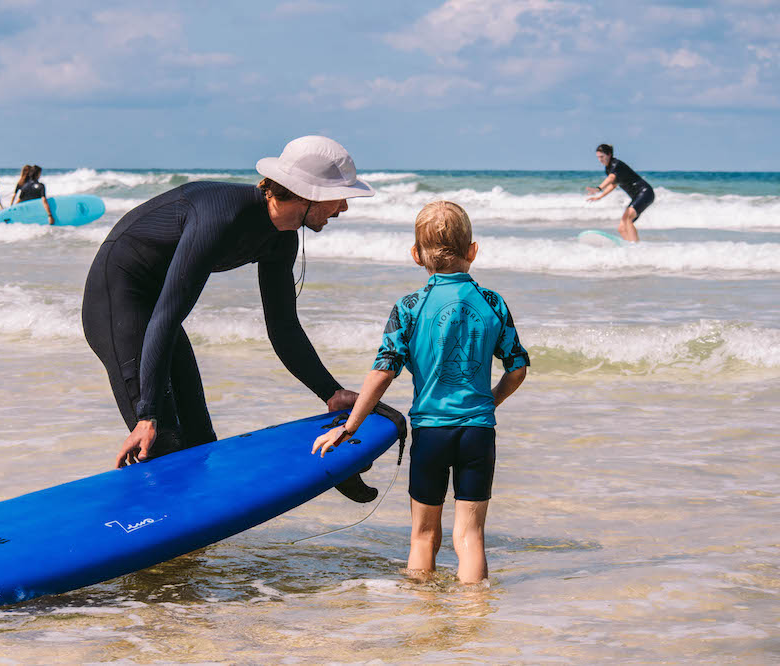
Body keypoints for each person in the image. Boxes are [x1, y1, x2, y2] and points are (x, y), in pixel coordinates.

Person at [82, 135, 374, 474]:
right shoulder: (219, 218)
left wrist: (330, 392)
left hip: (158, 311)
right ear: (309, 194)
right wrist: (147, 415)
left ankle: (197, 519)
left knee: (201, 440)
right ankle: (145, 518)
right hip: (117, 303)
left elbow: (282, 327)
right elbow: (168, 313)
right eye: (339, 198)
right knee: (163, 439)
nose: (344, 208)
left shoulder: (282, 238)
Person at [311, 201, 529, 583]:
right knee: (471, 536)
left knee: (423, 536)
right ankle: (474, 619)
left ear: (416, 255)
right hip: (478, 432)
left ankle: (421, 620)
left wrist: (349, 426)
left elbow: (384, 371)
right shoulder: (492, 303)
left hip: (430, 433)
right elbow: (517, 368)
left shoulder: (409, 307)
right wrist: (487, 403)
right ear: (472, 251)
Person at [586, 144, 654, 243]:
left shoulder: (616, 164)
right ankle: (630, 246)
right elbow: (613, 185)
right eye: (598, 157)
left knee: (628, 219)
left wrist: (599, 188)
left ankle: (636, 246)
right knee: (622, 228)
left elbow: (611, 178)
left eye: (602, 157)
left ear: (609, 155)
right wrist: (600, 197)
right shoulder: (608, 169)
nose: (600, 160)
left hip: (645, 192)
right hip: (636, 197)